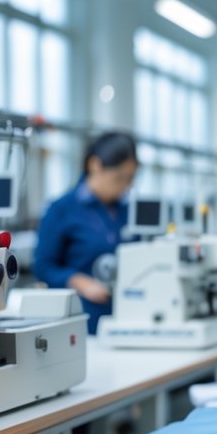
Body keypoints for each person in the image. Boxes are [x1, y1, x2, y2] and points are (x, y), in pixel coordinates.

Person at [34, 131, 138, 335]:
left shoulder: (127, 212)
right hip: (83, 320)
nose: (125, 186)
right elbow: (43, 266)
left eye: (130, 179)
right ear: (95, 165)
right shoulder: (62, 210)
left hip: (126, 316)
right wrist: (79, 281)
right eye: (119, 178)